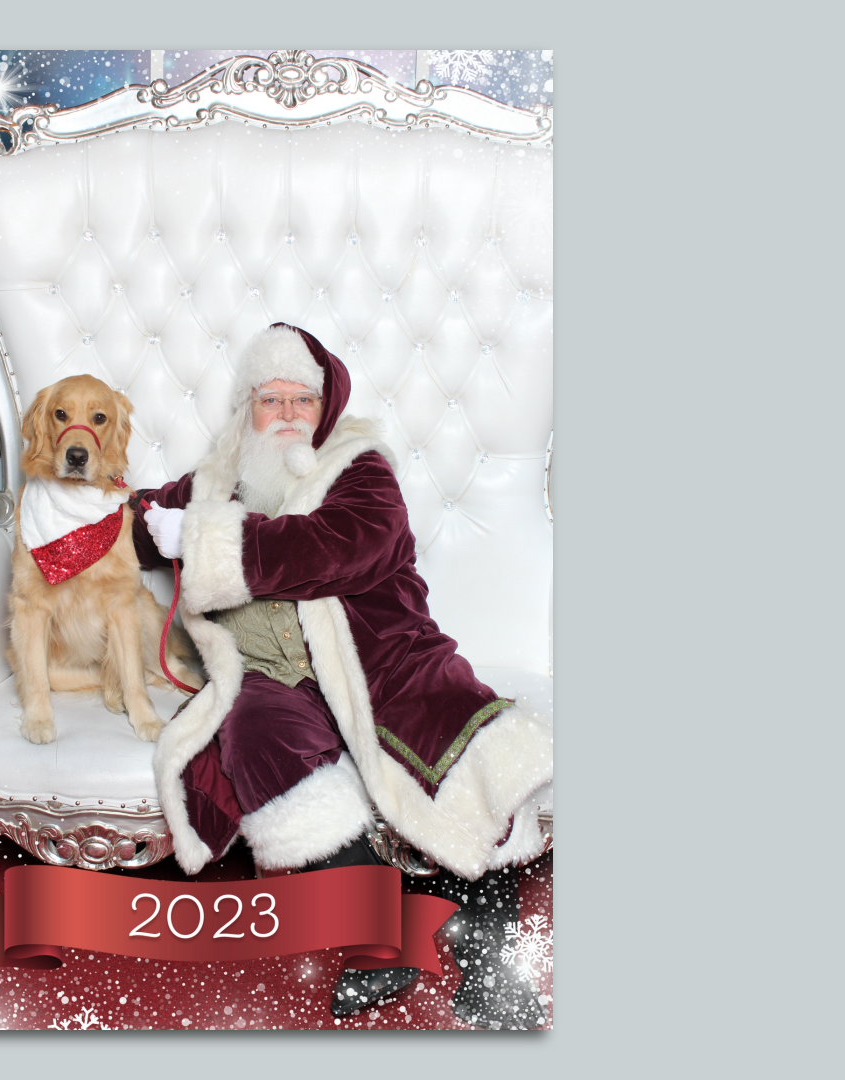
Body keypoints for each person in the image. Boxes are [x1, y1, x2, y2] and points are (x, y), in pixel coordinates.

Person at [129, 323, 555, 1028]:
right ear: (248, 408)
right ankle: (381, 937)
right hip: (270, 676)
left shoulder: (361, 468)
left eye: (303, 399)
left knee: (462, 736)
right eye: (271, 399)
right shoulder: (216, 479)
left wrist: (205, 540)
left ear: (325, 409)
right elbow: (138, 523)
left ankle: (489, 958)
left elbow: (338, 547)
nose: (288, 414)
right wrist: (107, 514)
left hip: (381, 656)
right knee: (254, 734)